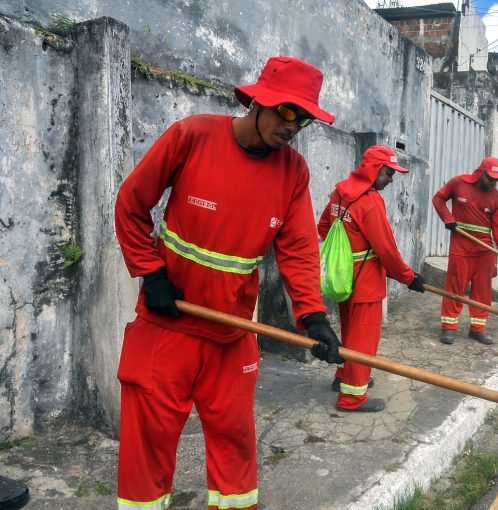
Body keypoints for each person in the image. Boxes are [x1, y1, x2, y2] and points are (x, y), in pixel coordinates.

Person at [114, 56, 343, 510]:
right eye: (286, 111)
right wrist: (151, 271)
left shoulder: (293, 172)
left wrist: (313, 316)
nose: (292, 126)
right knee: (148, 447)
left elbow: (297, 249)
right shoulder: (192, 136)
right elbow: (131, 204)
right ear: (257, 101)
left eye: (304, 119)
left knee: (235, 446)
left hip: (232, 333)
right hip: (168, 325)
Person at [317, 145, 425, 412]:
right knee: (363, 341)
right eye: (388, 173)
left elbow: (323, 227)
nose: (391, 179)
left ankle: (344, 377)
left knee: (350, 332)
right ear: (374, 169)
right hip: (366, 283)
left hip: (343, 278)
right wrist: (410, 278)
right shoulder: (370, 201)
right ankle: (352, 397)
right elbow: (386, 250)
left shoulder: (340, 193)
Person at [432, 157, 498, 345]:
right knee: (455, 286)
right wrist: (447, 218)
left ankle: (477, 329)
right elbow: (438, 199)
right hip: (461, 244)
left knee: (483, 291)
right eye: (490, 178)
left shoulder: (497, 198)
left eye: (497, 179)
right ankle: (449, 328)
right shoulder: (458, 183)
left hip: (485, 249)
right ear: (480, 172)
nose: (493, 182)